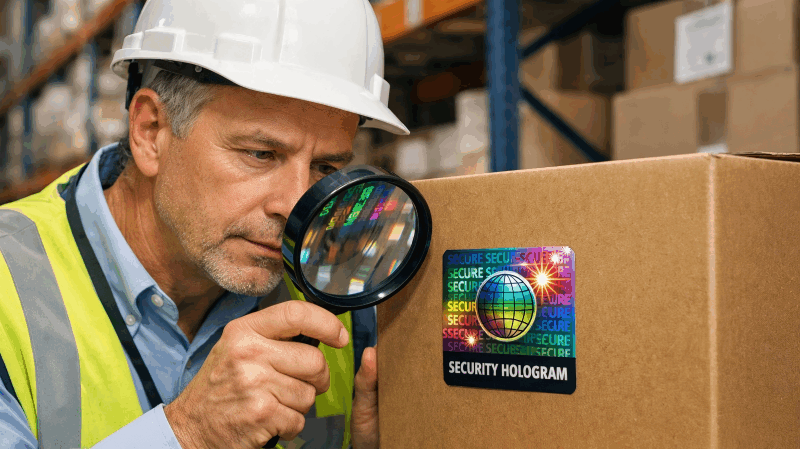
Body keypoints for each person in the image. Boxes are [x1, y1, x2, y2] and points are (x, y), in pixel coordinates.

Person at [0, 0, 409, 448]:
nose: (296, 206)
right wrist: (188, 433)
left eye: (325, 167)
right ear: (151, 131)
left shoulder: (347, 292)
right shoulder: (12, 284)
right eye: (260, 154)